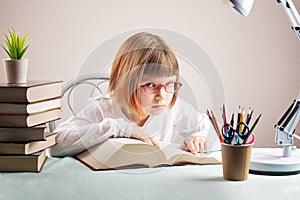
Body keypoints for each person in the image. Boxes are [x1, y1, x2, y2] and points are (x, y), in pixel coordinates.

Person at [49, 32, 211, 157]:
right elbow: (56, 143)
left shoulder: (171, 107)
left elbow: (208, 127)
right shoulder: (104, 108)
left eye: (169, 84)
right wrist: (116, 128)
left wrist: (199, 137)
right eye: (150, 85)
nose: (162, 95)